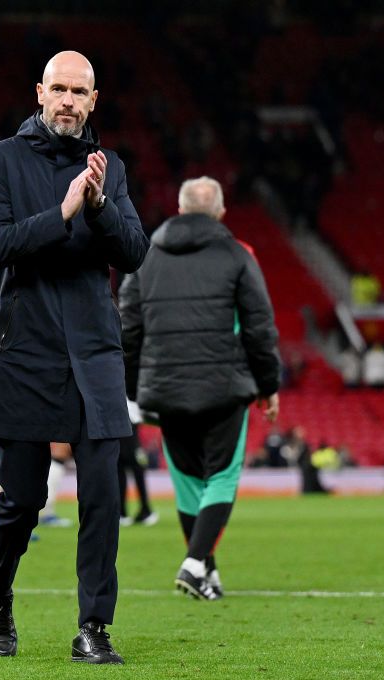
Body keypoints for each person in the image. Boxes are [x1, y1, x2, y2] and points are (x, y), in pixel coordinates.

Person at [0, 51, 147, 665]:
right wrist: (64, 211)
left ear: (94, 100)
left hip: (95, 352)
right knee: (23, 498)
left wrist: (97, 205)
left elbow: (134, 253)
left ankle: (93, 628)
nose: (69, 101)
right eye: (60, 89)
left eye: (81, 91)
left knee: (102, 494)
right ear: (39, 92)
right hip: (25, 349)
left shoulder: (110, 168)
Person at [120, 176, 281, 602]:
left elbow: (127, 327)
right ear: (221, 213)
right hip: (224, 387)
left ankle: (206, 569)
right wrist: (269, 385)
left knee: (189, 481)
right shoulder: (238, 254)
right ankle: (194, 564)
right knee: (222, 478)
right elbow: (259, 326)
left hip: (166, 388)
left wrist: (133, 388)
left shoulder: (145, 256)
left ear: (179, 207)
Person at [118, 399, 157, 527]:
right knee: (123, 469)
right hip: (125, 421)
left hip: (128, 421)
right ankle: (125, 512)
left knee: (130, 469)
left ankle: (143, 510)